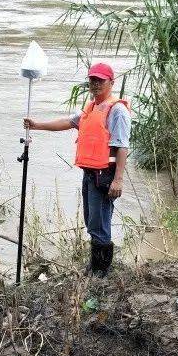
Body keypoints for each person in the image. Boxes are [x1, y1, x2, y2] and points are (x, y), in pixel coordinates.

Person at [23, 63, 130, 276]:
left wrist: (118, 180)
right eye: (92, 80)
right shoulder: (91, 108)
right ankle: (95, 266)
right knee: (92, 222)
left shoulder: (117, 110)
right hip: (90, 174)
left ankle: (101, 273)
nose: (96, 84)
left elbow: (122, 147)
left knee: (99, 223)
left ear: (111, 82)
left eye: (101, 80)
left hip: (105, 175)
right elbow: (68, 122)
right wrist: (37, 125)